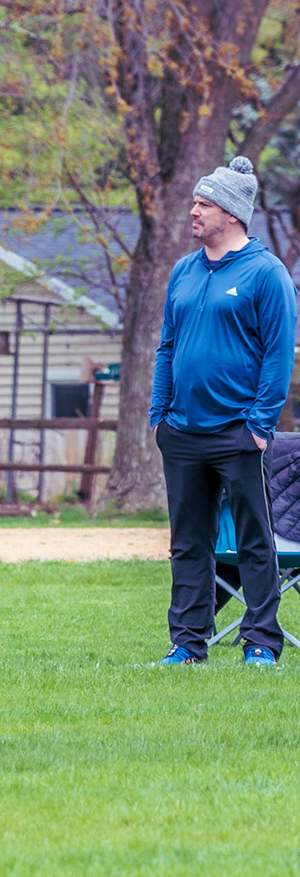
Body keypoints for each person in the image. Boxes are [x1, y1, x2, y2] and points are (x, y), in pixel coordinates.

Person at [152, 156, 298, 667]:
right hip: (182, 432)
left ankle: (261, 640)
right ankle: (188, 644)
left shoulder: (266, 274)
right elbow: (167, 347)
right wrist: (159, 415)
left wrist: (258, 427)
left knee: (256, 542)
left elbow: (279, 356)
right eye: (194, 201)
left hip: (239, 432)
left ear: (231, 215)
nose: (193, 211)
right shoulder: (184, 271)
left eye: (204, 204)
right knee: (188, 544)